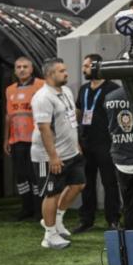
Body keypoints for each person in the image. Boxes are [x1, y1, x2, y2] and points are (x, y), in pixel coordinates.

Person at [32, 58, 86, 250]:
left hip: (71, 151)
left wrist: (76, 143)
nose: (66, 73)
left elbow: (70, 120)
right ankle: (49, 235)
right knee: (52, 193)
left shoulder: (66, 91)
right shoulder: (42, 97)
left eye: (65, 69)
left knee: (79, 184)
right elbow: (44, 129)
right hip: (49, 156)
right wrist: (53, 157)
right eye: (61, 71)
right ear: (49, 74)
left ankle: (58, 219)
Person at [74, 53, 121, 233]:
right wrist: (76, 137)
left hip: (106, 143)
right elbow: (79, 112)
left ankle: (113, 219)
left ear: (96, 66)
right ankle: (86, 220)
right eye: (83, 66)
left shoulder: (113, 89)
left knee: (110, 183)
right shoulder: (84, 89)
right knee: (86, 183)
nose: (83, 69)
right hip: (86, 143)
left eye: (86, 66)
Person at [3, 57, 45, 221]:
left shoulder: (41, 85)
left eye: (25, 67)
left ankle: (39, 209)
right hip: (16, 139)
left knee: (35, 176)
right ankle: (26, 208)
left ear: (31, 69)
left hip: (36, 140)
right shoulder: (10, 90)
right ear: (14, 70)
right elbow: (9, 116)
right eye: (19, 67)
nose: (22, 70)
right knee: (21, 176)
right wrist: (6, 139)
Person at [104, 87, 133, 230]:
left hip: (120, 157)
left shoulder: (109, 97)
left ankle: (130, 237)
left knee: (128, 204)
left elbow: (107, 125)